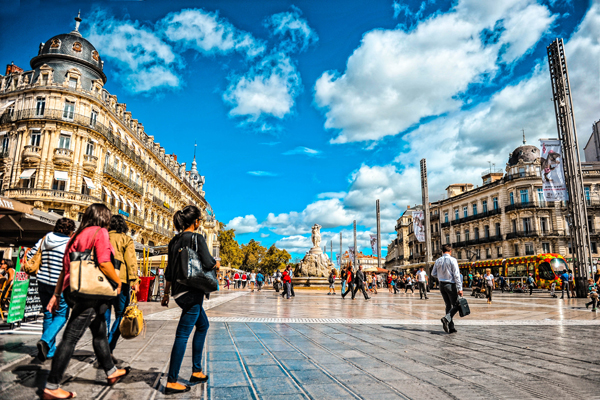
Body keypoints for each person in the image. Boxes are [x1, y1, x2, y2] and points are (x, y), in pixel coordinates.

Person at [42, 204, 128, 400]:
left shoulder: (76, 236)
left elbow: (64, 269)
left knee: (99, 332)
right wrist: (117, 281)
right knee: (71, 337)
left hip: (73, 289)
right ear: (103, 217)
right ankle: (52, 385)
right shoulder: (100, 232)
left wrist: (56, 294)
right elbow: (105, 262)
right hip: (91, 292)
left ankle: (111, 370)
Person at [161, 205, 218, 394]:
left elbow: (169, 271)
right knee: (182, 335)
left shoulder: (174, 241)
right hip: (192, 291)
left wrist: (166, 294)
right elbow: (209, 263)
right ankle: (171, 380)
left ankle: (197, 370)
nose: (200, 222)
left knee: (203, 325)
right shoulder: (197, 237)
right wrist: (216, 263)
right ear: (195, 222)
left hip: (178, 292)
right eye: (199, 219)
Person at [26, 217, 76, 362]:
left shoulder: (46, 238)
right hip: (59, 285)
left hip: (42, 281)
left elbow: (30, 255)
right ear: (71, 231)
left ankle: (49, 351)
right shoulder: (69, 243)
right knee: (61, 315)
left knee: (48, 314)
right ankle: (46, 340)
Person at [104, 215, 140, 356]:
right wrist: (134, 280)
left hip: (103, 280)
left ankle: (103, 341)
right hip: (122, 280)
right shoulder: (126, 239)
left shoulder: (103, 238)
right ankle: (109, 344)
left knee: (104, 312)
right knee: (121, 314)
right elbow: (131, 261)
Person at [432, 245, 463, 334]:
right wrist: (460, 288)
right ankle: (446, 319)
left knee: (448, 305)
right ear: (450, 251)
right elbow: (457, 275)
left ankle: (451, 327)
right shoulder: (452, 260)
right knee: (457, 305)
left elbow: (433, 273)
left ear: (442, 252)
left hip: (442, 285)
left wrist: (441, 277)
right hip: (451, 284)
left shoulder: (438, 260)